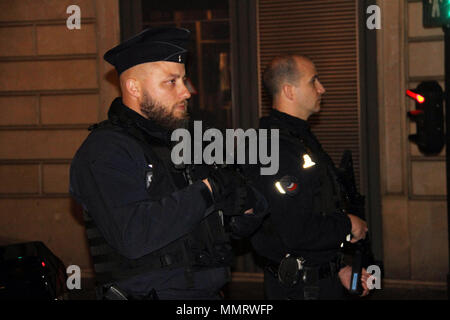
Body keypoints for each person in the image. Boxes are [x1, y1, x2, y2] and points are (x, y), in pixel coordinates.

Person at [69, 27, 266, 300]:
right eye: (171, 82)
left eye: (184, 80)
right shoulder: (105, 150)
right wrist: (209, 190)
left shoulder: (187, 142)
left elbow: (216, 223)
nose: (186, 92)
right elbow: (133, 235)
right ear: (134, 87)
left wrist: (244, 208)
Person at [248, 54, 371, 300]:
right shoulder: (275, 148)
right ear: (289, 91)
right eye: (313, 81)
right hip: (298, 290)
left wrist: (338, 269)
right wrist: (348, 224)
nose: (322, 88)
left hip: (317, 281)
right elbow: (295, 230)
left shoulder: (299, 139)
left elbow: (317, 209)